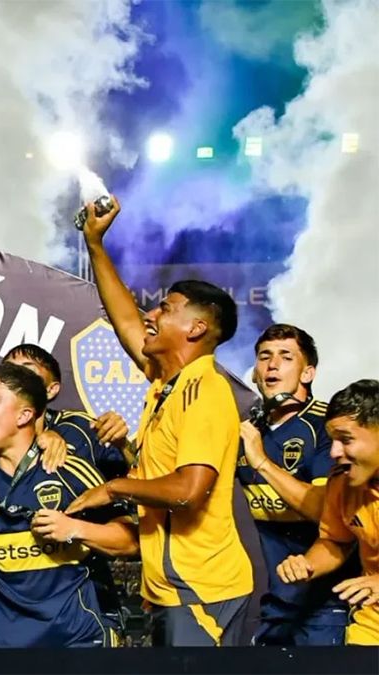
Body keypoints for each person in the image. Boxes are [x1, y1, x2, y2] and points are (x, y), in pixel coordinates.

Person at [68, 195, 254, 646]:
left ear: (196, 329)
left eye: (165, 309)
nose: (150, 315)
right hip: (173, 590)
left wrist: (115, 487)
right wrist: (95, 245)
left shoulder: (205, 390)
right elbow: (125, 320)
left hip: (203, 591)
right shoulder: (166, 383)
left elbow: (189, 489)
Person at [0, 364, 131, 647]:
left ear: (24, 415)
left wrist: (75, 529)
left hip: (77, 640)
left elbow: (130, 541)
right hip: (2, 643)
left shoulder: (71, 471)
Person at [238, 324, 350, 645]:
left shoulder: (327, 427)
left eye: (286, 357)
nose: (272, 365)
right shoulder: (246, 429)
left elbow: (325, 511)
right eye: (264, 357)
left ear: (307, 373)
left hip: (323, 605)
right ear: (255, 373)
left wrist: (262, 462)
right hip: (266, 604)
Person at [278, 379, 379, 646]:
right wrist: (307, 564)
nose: (334, 452)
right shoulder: (342, 482)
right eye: (333, 441)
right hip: (371, 626)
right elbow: (335, 540)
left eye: (345, 440)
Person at [3, 344, 130, 479]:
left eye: (28, 370)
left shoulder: (81, 427)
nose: (14, 378)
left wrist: (122, 445)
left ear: (51, 390)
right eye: (8, 370)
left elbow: (131, 471)